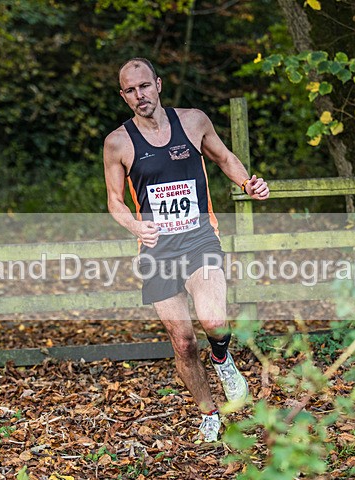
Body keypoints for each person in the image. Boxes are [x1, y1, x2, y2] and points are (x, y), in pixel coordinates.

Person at [103, 58, 270, 442]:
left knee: (213, 322)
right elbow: (115, 201)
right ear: (124, 96)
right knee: (182, 341)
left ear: (158, 84)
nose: (139, 95)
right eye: (130, 90)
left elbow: (225, 158)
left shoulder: (193, 121)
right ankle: (210, 413)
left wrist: (248, 183)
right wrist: (134, 225)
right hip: (157, 252)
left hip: (198, 240)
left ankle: (223, 358)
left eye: (144, 86)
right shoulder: (118, 142)